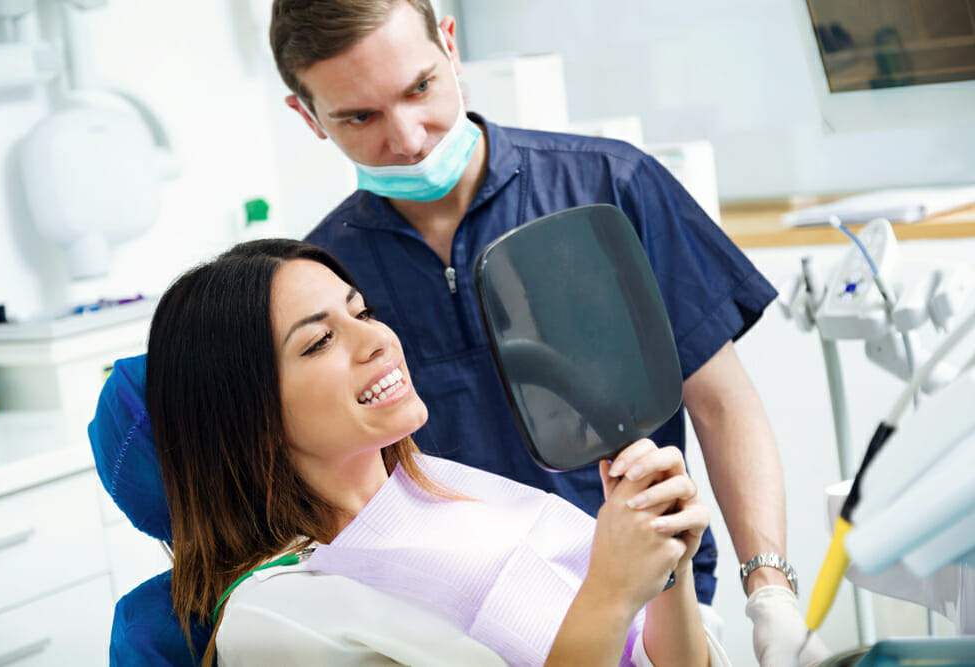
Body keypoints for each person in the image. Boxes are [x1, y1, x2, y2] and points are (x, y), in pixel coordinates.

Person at [268, 1, 829, 665]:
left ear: (449, 45)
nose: (410, 137)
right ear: (307, 116)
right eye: (359, 117)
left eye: (420, 88)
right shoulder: (327, 287)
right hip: (469, 630)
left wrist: (769, 590)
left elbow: (721, 401)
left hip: (660, 604)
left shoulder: (609, 187)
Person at [146, 238, 729, 666]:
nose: (378, 339)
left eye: (362, 312)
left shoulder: (448, 490)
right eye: (321, 340)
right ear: (248, 414)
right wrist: (612, 588)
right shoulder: (275, 618)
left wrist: (665, 568)